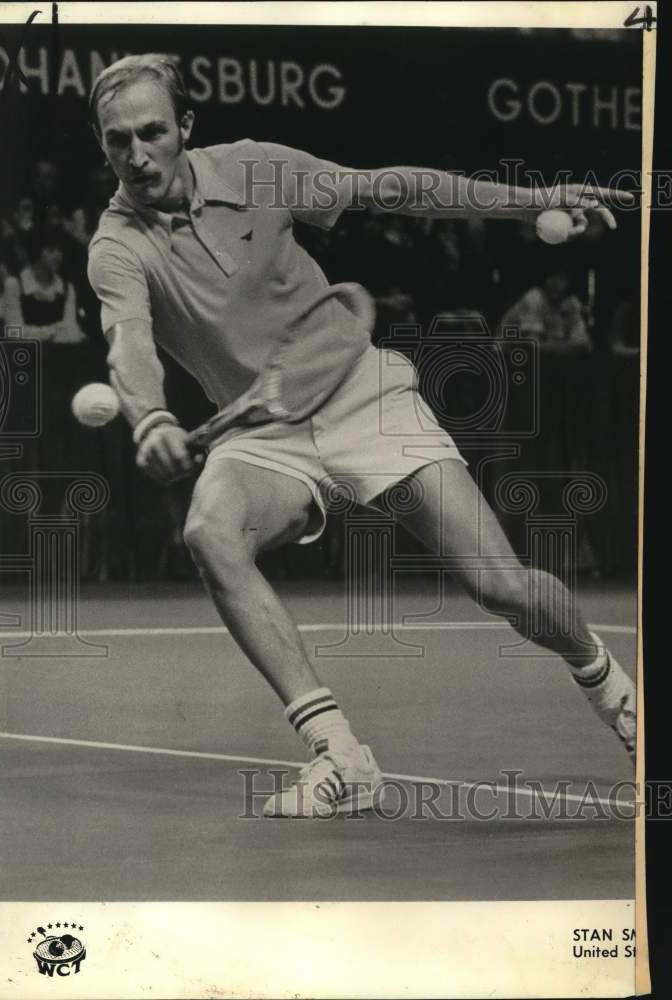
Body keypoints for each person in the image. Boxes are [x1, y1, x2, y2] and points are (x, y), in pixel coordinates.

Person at [86, 55, 636, 817]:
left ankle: (613, 689)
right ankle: (342, 758)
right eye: (119, 141)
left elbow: (394, 187)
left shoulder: (259, 172)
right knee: (211, 532)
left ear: (185, 127)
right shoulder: (116, 244)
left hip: (360, 394)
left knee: (500, 586)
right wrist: (148, 414)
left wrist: (528, 202)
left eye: (152, 132)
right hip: (265, 430)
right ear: (104, 146)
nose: (137, 153)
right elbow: (130, 340)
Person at [500, 269, 593, 351]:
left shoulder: (571, 302)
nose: (556, 283)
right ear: (543, 281)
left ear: (569, 282)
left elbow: (585, 344)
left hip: (536, 360)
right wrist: (570, 347)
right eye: (551, 277)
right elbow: (533, 346)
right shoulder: (534, 298)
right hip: (502, 358)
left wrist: (569, 346)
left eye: (561, 278)